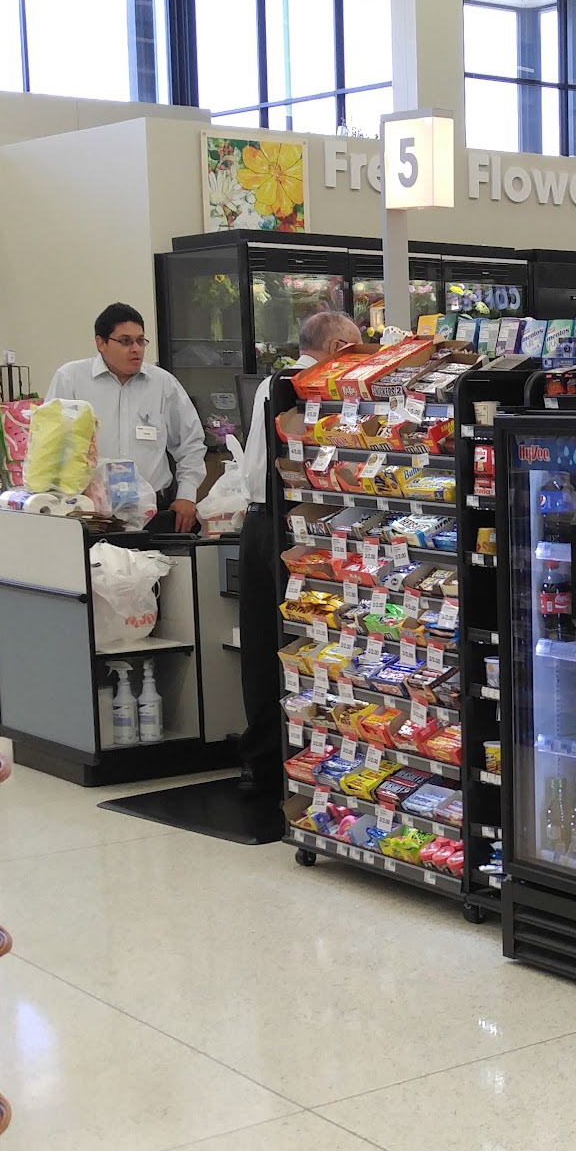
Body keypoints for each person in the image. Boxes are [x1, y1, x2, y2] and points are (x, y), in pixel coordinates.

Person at [237, 310, 363, 795]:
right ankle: (286, 758)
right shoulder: (300, 386)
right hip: (285, 525)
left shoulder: (274, 384)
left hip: (261, 521)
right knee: (295, 638)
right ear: (336, 349)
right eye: (353, 349)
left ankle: (268, 761)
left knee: (267, 641)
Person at [46, 303, 208, 533]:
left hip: (152, 511)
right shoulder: (71, 379)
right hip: (90, 512)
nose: (136, 349)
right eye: (125, 341)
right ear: (101, 343)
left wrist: (186, 495)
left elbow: (190, 443)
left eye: (140, 341)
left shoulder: (163, 384)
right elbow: (52, 445)